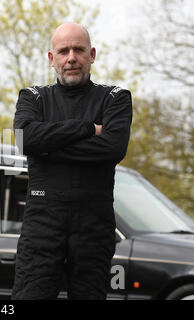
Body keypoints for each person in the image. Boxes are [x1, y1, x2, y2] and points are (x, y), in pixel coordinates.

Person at [12, 22, 133, 300]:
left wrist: (48, 146)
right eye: (63, 51)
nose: (71, 58)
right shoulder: (33, 97)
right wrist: (89, 128)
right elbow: (26, 140)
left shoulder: (115, 99)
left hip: (94, 227)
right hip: (41, 225)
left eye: (78, 50)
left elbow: (112, 147)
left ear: (91, 54)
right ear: (51, 59)